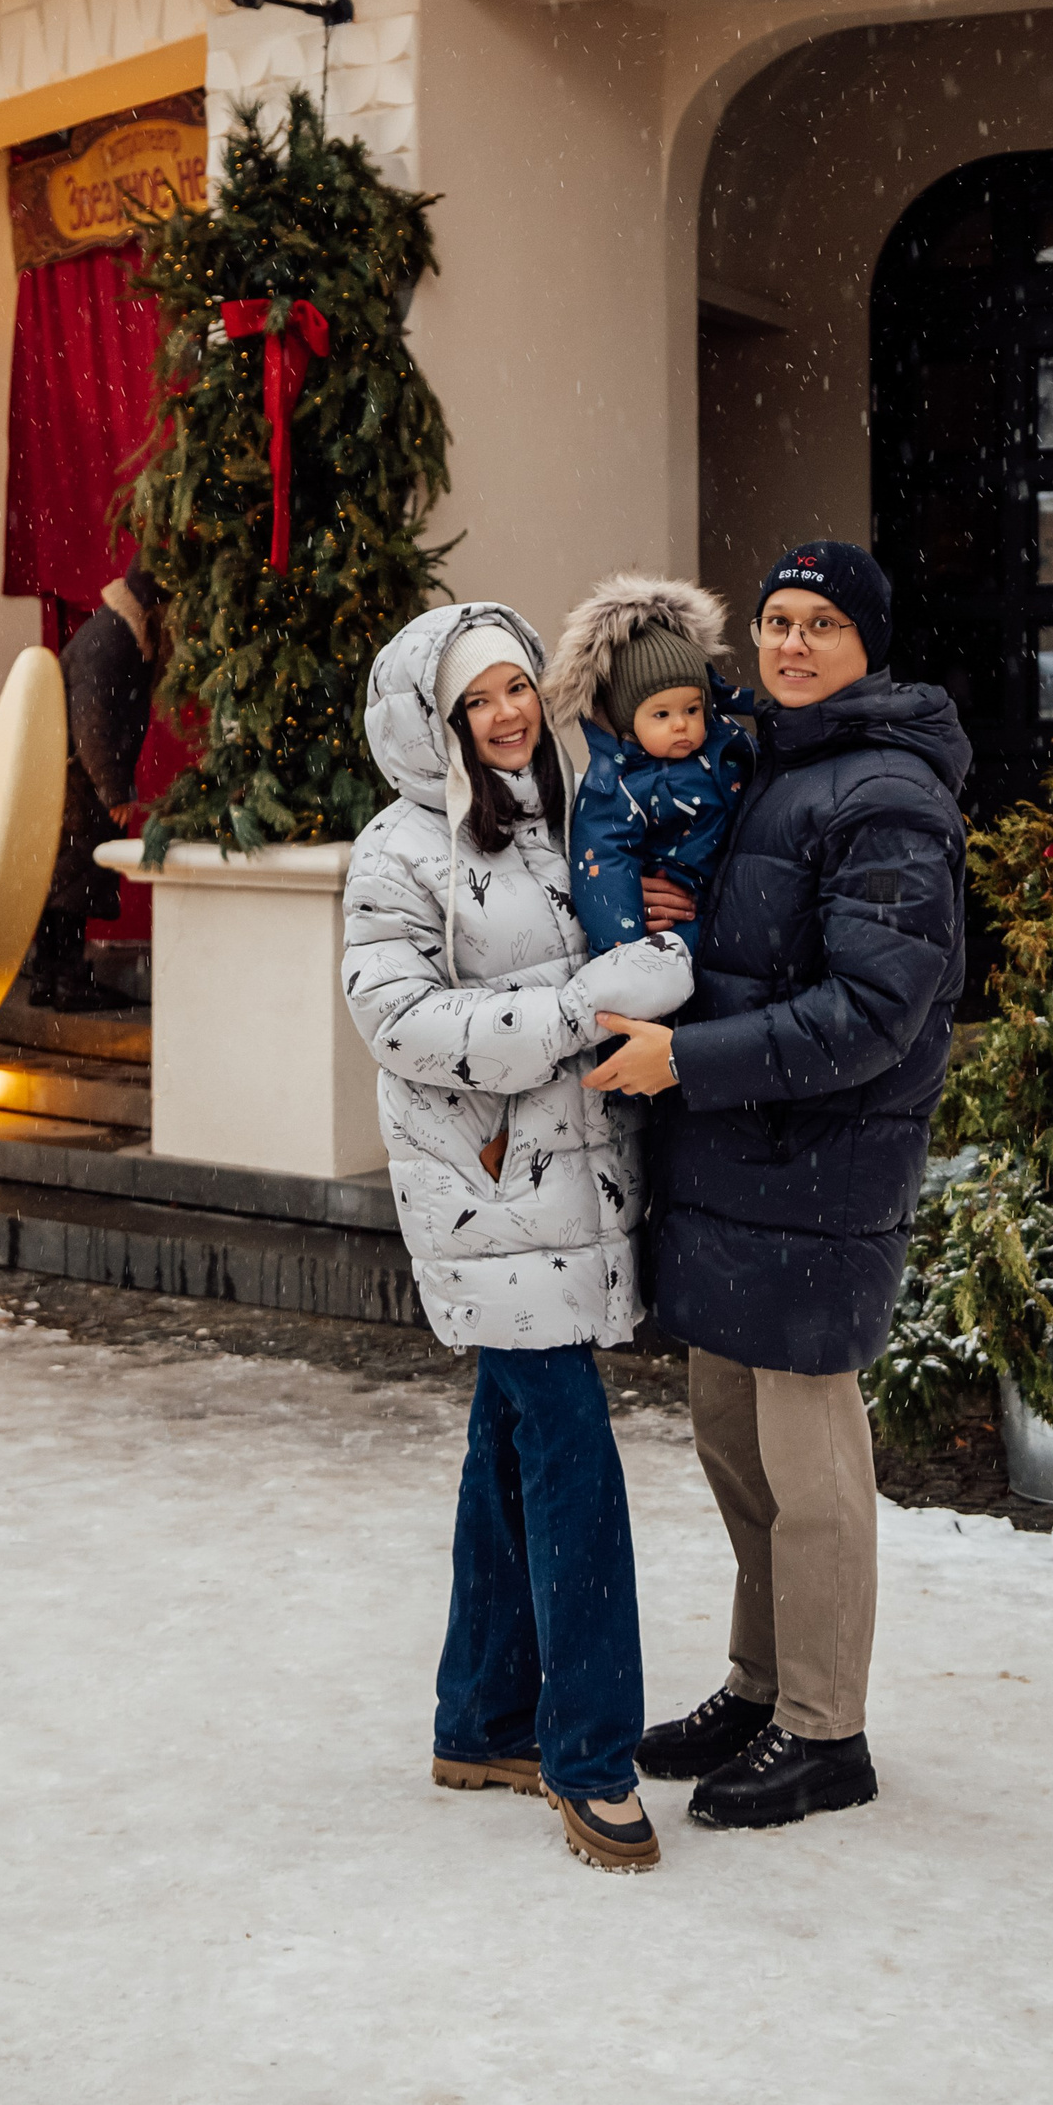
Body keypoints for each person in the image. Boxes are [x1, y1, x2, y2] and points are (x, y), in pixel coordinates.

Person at [585, 539, 970, 1833]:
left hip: (817, 1171)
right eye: (777, 620)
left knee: (812, 1477)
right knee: (739, 1457)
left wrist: (684, 1059)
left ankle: (825, 1727)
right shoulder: (763, 764)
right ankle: (761, 1687)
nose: (792, 644)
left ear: (868, 645)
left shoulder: (888, 794)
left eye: (821, 624)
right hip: (735, 1167)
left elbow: (872, 1012)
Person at [343, 602, 692, 1874]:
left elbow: (622, 957)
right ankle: (590, 1758)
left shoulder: (571, 824)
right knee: (571, 1460)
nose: (506, 714)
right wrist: (580, 1005)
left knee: (511, 1443)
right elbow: (401, 1022)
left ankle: (482, 1718)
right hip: (486, 1196)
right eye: (475, 700)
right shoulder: (399, 851)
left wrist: (657, 928)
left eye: (517, 688)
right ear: (431, 722)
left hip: (576, 1190)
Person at [541, 573, 753, 956]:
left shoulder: (728, 745)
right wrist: (623, 952)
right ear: (629, 723)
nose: (680, 724)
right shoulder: (618, 786)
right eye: (661, 715)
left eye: (692, 709)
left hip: (735, 905)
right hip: (674, 924)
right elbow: (604, 866)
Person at [27, 561, 163, 1012]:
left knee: (62, 879)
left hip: (67, 779)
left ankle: (48, 975)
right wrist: (114, 788)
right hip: (80, 787)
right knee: (75, 881)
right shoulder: (112, 639)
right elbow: (93, 722)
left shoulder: (109, 631)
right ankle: (69, 981)